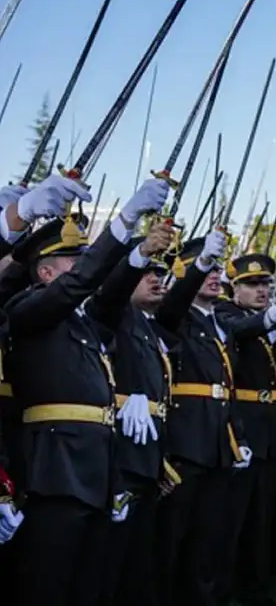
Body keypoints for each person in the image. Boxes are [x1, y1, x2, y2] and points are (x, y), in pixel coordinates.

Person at [4, 175, 168, 605]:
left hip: (96, 466)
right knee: (48, 582)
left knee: (87, 583)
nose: (81, 268)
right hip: (54, 468)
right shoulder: (28, 310)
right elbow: (77, 286)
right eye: (71, 261)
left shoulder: (83, 322)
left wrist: (137, 252)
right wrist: (122, 221)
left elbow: (109, 294)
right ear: (45, 273)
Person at [154, 227, 251, 606]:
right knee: (173, 536)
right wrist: (200, 264)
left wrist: (237, 436)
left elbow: (228, 388)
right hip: (185, 441)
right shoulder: (175, 315)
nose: (213, 275)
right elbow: (174, 303)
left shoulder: (218, 324)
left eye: (215, 269)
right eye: (202, 268)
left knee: (209, 537)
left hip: (217, 442)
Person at [216, 252, 276, 606]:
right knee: (231, 518)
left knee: (261, 518)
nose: (261, 290)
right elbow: (239, 332)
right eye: (252, 284)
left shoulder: (273, 323)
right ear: (235, 288)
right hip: (242, 425)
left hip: (269, 426)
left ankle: (256, 588)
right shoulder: (226, 314)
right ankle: (223, 588)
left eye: (266, 283)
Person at [97, 222, 178, 606]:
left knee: (137, 556)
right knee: (111, 556)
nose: (156, 279)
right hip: (120, 454)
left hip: (147, 452)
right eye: (147, 273)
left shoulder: (149, 327)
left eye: (160, 274)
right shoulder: (115, 314)